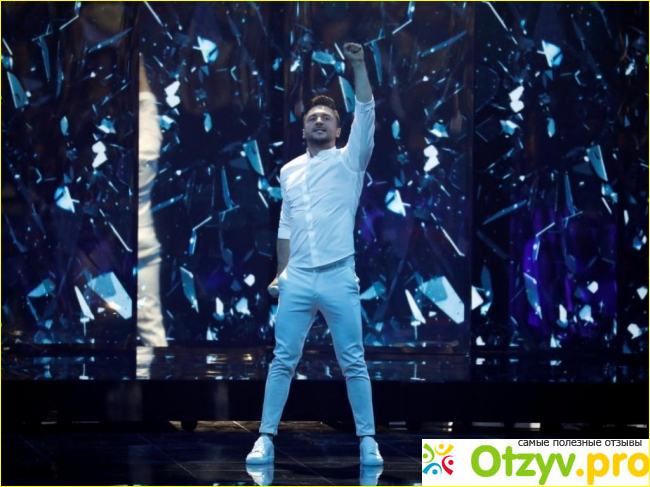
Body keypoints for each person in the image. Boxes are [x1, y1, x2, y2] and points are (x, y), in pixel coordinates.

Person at [246, 42, 383, 466]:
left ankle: (368, 441)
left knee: (353, 361)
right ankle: (265, 437)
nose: (319, 120)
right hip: (299, 278)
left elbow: (366, 111)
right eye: (312, 118)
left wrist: (358, 65)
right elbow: (286, 226)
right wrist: (280, 273)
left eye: (326, 118)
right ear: (303, 129)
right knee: (282, 360)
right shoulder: (288, 171)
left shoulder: (350, 161)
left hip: (339, 275)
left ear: (339, 130)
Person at [137, 57, 168, 347]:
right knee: (151, 333)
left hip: (128, 248)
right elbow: (147, 113)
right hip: (143, 244)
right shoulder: (144, 150)